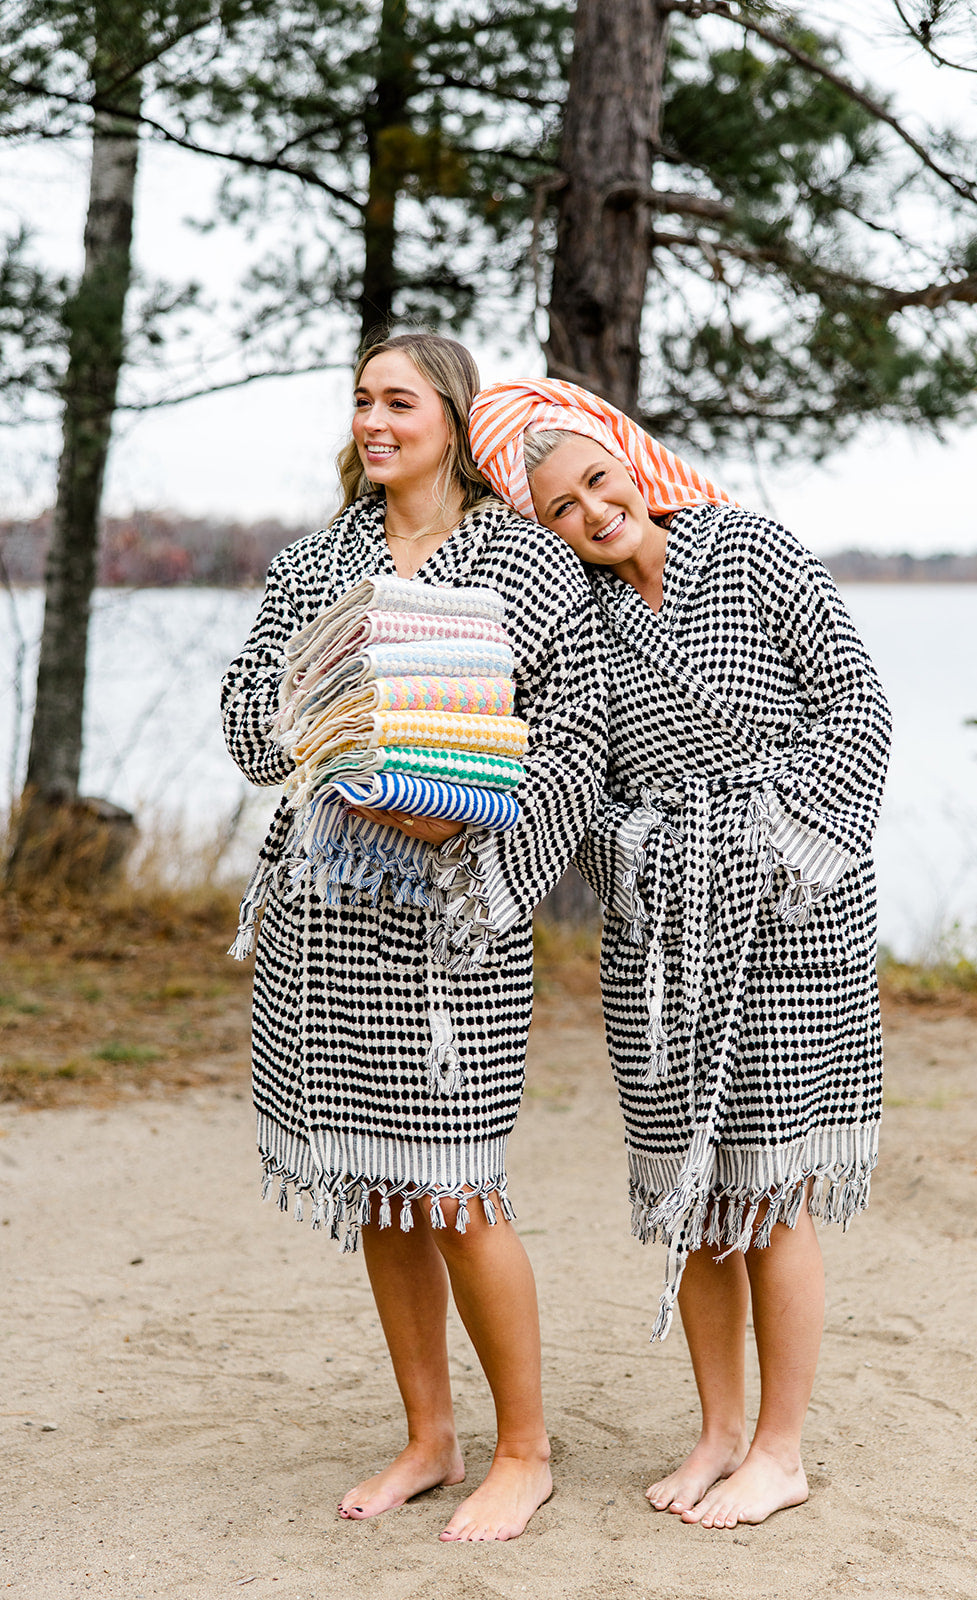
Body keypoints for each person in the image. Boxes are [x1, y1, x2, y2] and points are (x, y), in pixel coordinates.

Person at [468, 378, 890, 1530]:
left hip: (791, 912)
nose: (592, 512)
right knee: (692, 1192)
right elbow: (580, 781)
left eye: (598, 482)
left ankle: (780, 1448)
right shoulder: (586, 627)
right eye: (558, 508)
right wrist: (635, 844)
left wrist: (760, 837)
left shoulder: (751, 550)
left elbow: (857, 706)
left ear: (629, 464)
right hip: (660, 929)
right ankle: (714, 1431)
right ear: (540, 525)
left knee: (769, 1185)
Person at [221, 338, 605, 1542]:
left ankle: (525, 1451)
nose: (374, 421)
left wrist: (467, 813)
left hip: (457, 920)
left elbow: (575, 732)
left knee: (456, 1184)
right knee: (382, 1188)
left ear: (450, 416)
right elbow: (244, 713)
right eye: (360, 403)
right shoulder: (313, 562)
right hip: (330, 911)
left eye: (398, 402)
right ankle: (430, 1437)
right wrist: (346, 737)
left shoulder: (528, 562)